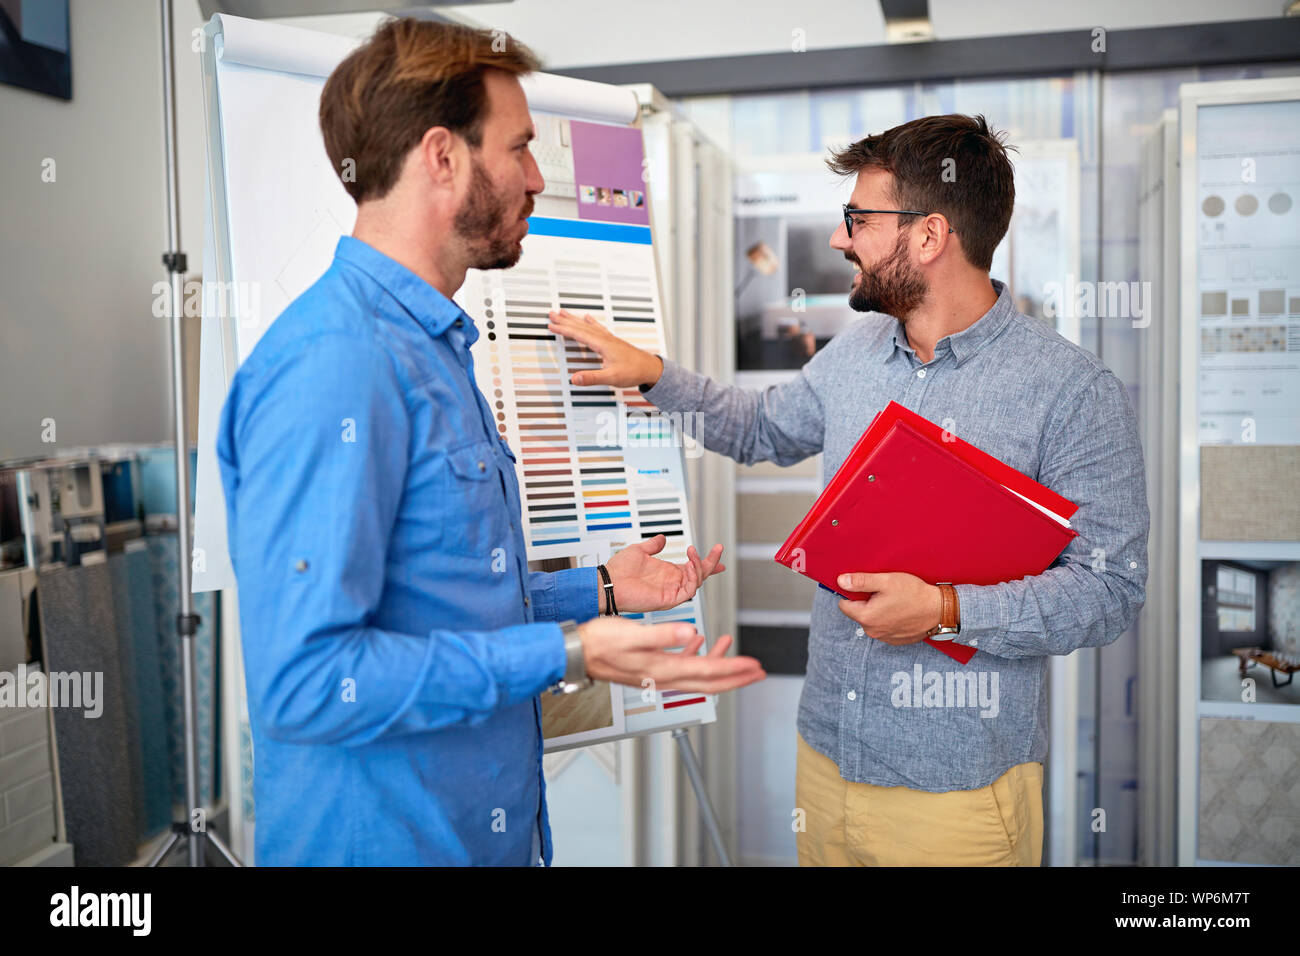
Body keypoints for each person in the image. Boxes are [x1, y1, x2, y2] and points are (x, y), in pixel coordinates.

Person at [216, 18, 764, 867]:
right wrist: (571, 650)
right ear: (443, 157)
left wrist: (598, 595)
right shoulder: (337, 364)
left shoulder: (432, 346)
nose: (539, 177)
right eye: (521, 148)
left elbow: (439, 608)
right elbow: (307, 684)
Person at [548, 113, 1149, 866]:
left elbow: (1110, 590)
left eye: (858, 219)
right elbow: (764, 427)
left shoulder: (1070, 390)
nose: (840, 239)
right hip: (828, 758)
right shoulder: (857, 352)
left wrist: (946, 611)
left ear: (929, 236)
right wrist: (655, 375)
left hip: (955, 794)